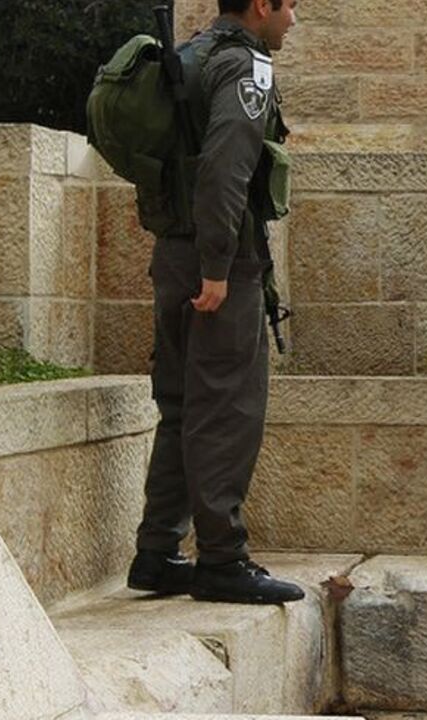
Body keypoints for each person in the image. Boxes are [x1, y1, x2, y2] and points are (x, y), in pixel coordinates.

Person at [125, 0, 305, 604]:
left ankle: (156, 552)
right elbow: (227, 169)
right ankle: (223, 560)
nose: (294, 19)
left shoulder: (189, 55)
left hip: (171, 256)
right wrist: (219, 265)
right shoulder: (246, 65)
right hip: (219, 267)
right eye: (290, 6)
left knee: (179, 405)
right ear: (261, 6)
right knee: (226, 410)